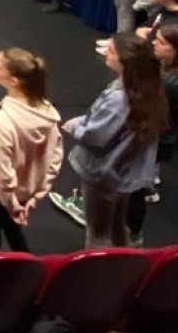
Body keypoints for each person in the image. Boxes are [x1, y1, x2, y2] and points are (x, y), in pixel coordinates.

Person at [60, 34, 167, 247]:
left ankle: (97, 266)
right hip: (124, 172)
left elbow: (95, 135)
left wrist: (75, 127)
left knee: (97, 232)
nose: (105, 54)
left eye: (110, 51)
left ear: (125, 61)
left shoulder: (119, 99)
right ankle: (123, 261)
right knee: (117, 224)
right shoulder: (147, 89)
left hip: (104, 173)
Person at [0, 48, 63, 252]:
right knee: (14, 234)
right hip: (24, 194)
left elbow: (3, 174)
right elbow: (54, 160)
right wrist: (34, 197)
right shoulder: (47, 113)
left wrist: (12, 205)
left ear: (14, 80)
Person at [126, 23, 178, 245]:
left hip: (155, 139)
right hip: (159, 136)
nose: (154, 44)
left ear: (177, 50)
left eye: (161, 42)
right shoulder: (175, 71)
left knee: (133, 188)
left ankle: (133, 235)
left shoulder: (174, 82)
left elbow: (137, 93)